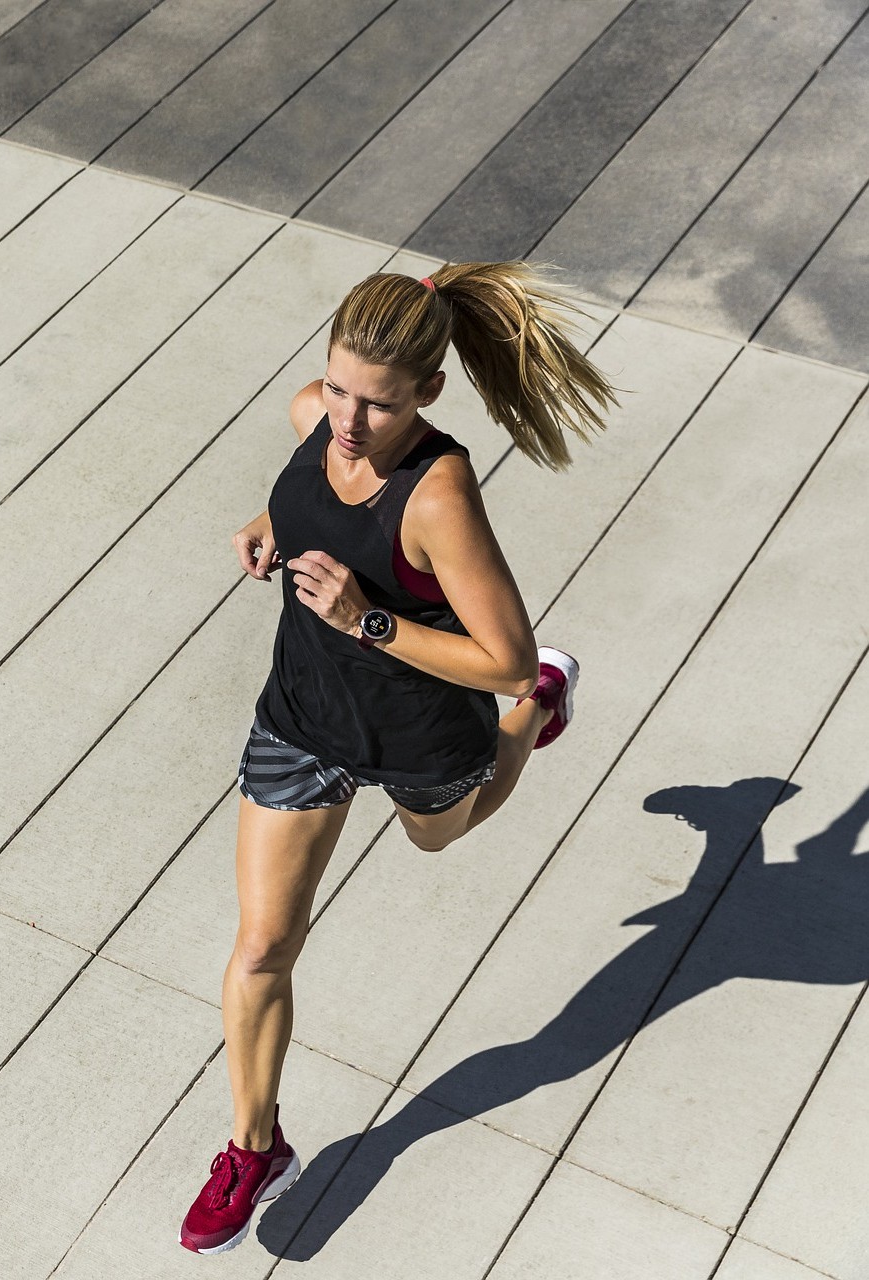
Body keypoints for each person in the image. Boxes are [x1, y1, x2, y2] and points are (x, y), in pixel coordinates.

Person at [179, 263, 618, 1255]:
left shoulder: (437, 494)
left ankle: (540, 714)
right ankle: (254, 1148)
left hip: (421, 726)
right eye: (338, 388)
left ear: (427, 392)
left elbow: (502, 656)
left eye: (376, 404)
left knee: (439, 835)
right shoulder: (315, 416)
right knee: (261, 947)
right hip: (301, 716)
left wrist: (365, 619)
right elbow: (308, 485)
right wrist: (268, 522)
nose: (346, 420)